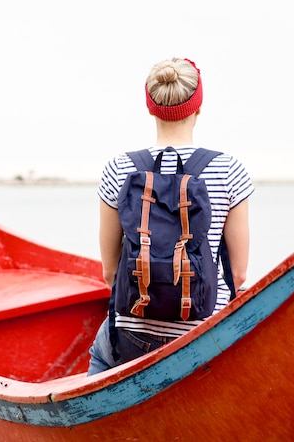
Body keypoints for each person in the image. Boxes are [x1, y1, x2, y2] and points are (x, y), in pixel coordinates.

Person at [87, 57, 254, 375]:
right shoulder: (229, 170)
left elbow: (110, 274)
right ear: (198, 107)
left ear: (150, 107)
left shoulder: (119, 168)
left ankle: (89, 420)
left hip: (131, 333)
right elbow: (239, 276)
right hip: (201, 334)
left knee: (101, 353)